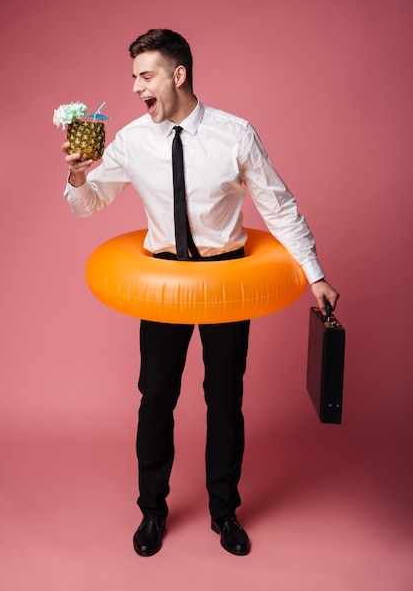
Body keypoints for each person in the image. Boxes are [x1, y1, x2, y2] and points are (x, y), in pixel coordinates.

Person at [63, 29, 339, 557]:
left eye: (145, 75)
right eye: (134, 77)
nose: (137, 87)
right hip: (164, 282)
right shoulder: (130, 138)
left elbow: (279, 206)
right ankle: (151, 512)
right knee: (156, 397)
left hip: (226, 281)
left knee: (224, 398)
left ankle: (224, 512)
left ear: (178, 75)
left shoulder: (235, 134)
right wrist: (78, 178)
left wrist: (315, 272)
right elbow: (92, 202)